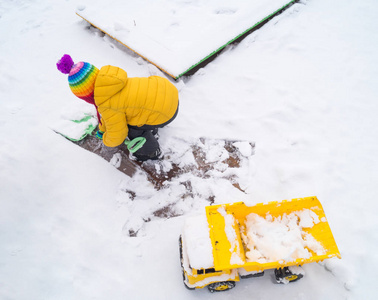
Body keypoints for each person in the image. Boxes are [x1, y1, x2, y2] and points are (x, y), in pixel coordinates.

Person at [56, 54, 179, 161]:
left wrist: (106, 139)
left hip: (165, 113)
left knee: (132, 129)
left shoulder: (108, 104)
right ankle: (152, 128)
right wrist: (103, 127)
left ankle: (150, 153)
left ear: (88, 96)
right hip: (167, 91)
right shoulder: (112, 83)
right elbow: (110, 114)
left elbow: (117, 134)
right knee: (134, 108)